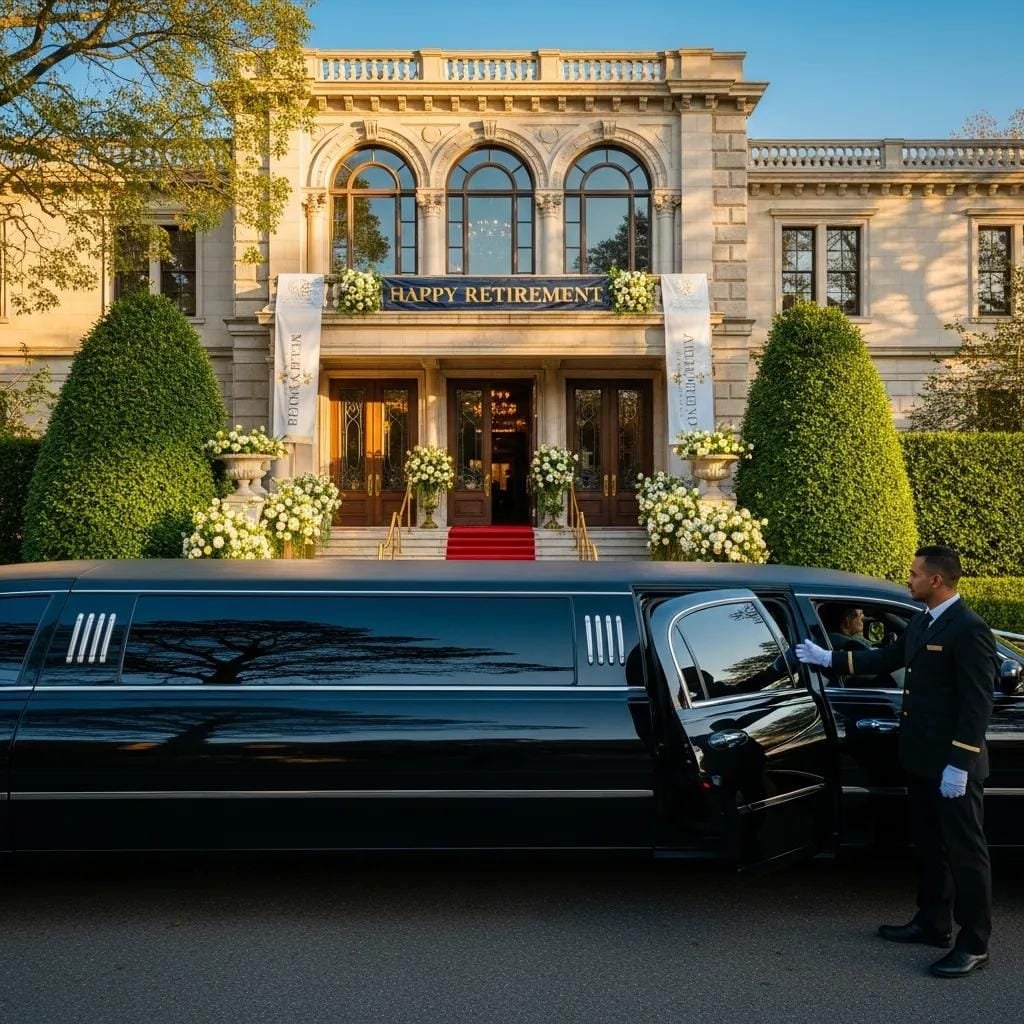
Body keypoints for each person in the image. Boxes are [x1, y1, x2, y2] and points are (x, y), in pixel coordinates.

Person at [796, 546, 997, 979]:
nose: (909, 579)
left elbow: (977, 704)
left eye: (914, 574)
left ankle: (975, 942)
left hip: (951, 765)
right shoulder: (925, 619)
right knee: (928, 846)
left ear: (937, 581)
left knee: (967, 855)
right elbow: (886, 658)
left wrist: (960, 764)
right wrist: (829, 658)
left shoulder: (969, 629)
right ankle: (933, 922)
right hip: (923, 759)